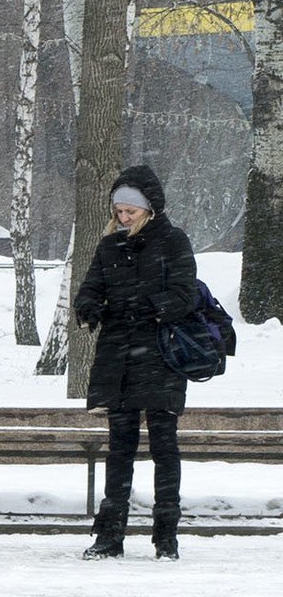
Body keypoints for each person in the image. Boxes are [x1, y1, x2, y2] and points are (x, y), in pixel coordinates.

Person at [73, 164, 193, 561]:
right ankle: (110, 536)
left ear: (149, 210)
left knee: (164, 448)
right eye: (119, 211)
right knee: (119, 449)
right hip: (119, 359)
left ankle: (166, 536)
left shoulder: (173, 241)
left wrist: (148, 307)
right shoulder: (110, 246)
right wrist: (88, 306)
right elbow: (91, 287)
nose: (123, 218)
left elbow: (185, 294)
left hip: (160, 356)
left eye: (131, 212)